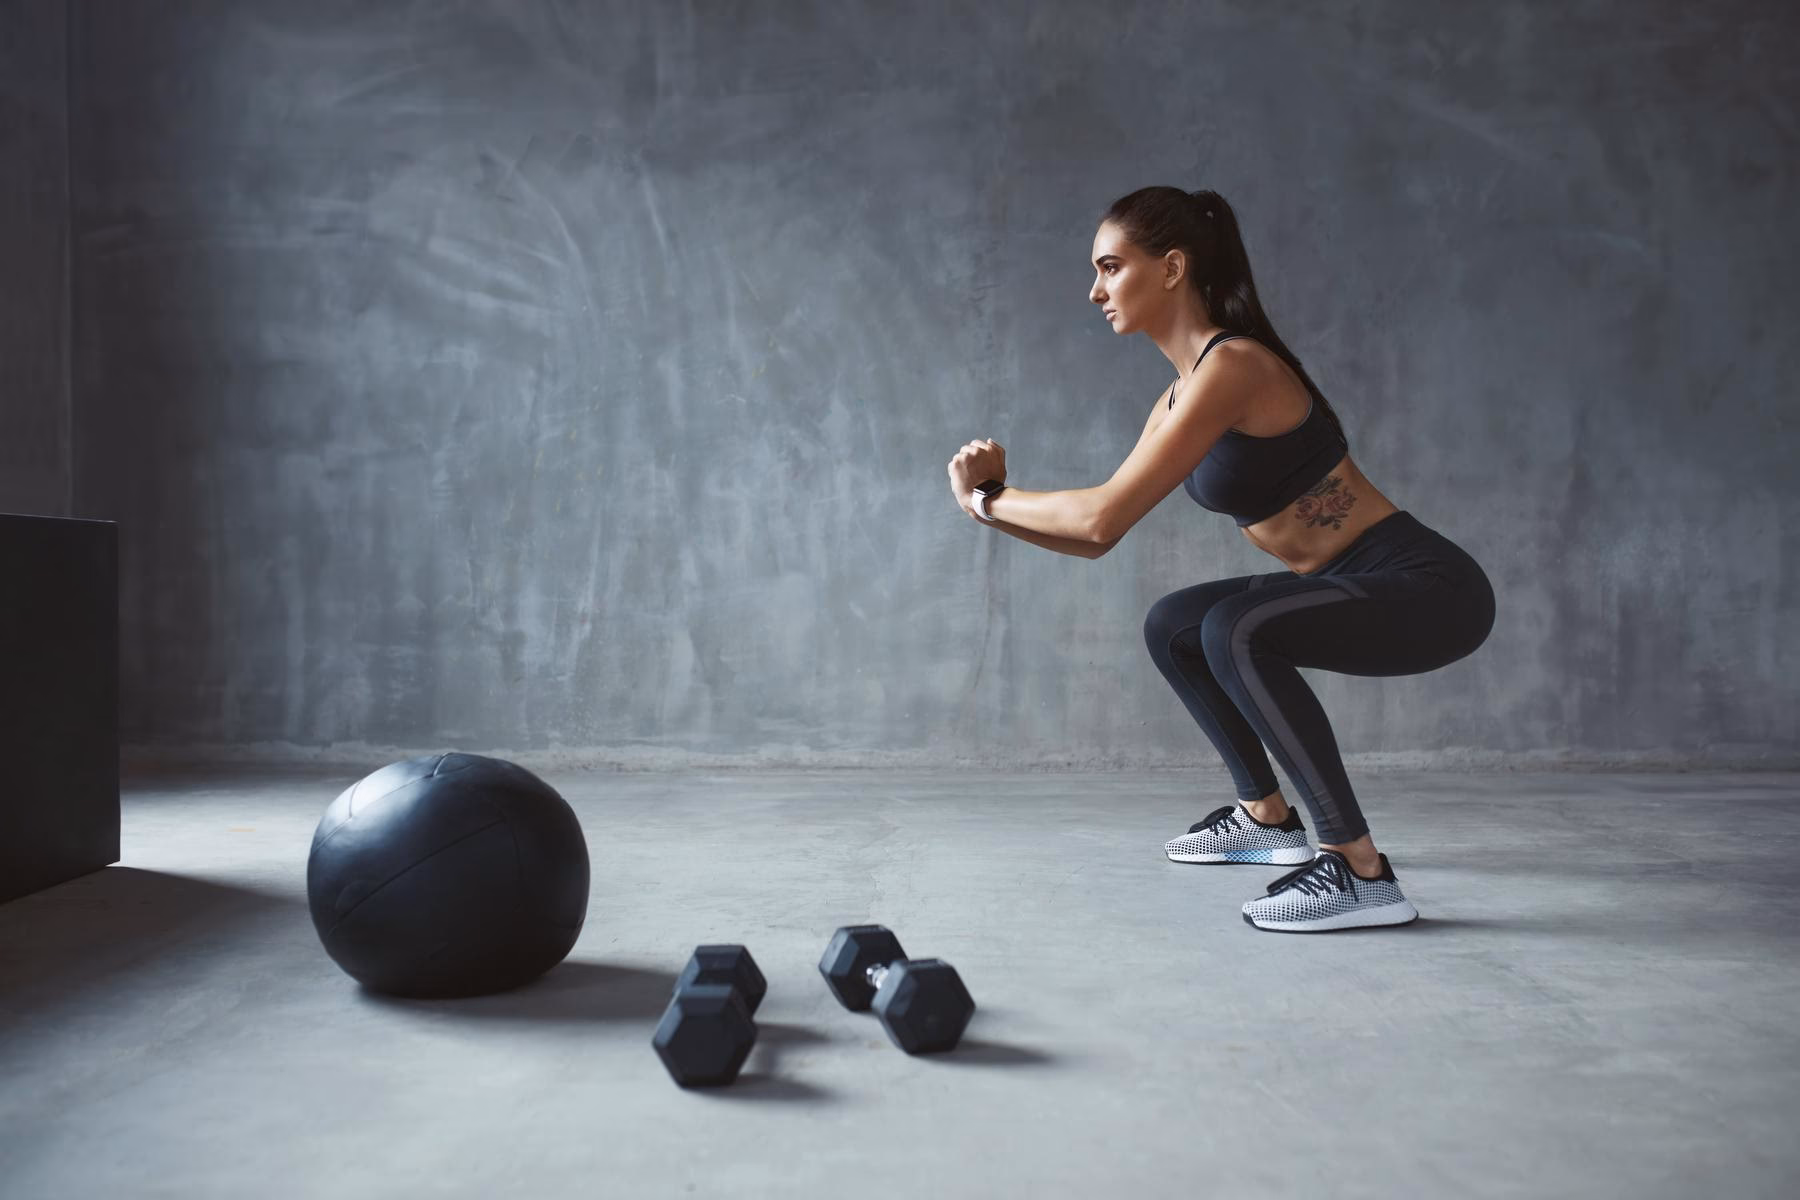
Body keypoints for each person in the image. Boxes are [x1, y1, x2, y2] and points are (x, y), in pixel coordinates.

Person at [945, 186, 1495, 933]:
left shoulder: (1233, 366)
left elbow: (1100, 513)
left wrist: (988, 500)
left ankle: (1361, 870)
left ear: (1171, 268)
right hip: (1343, 578)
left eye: (1111, 267)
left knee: (1237, 628)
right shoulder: (1177, 397)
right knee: (1174, 623)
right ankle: (1266, 819)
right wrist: (989, 506)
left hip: (1427, 587)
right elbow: (1100, 532)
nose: (1095, 289)